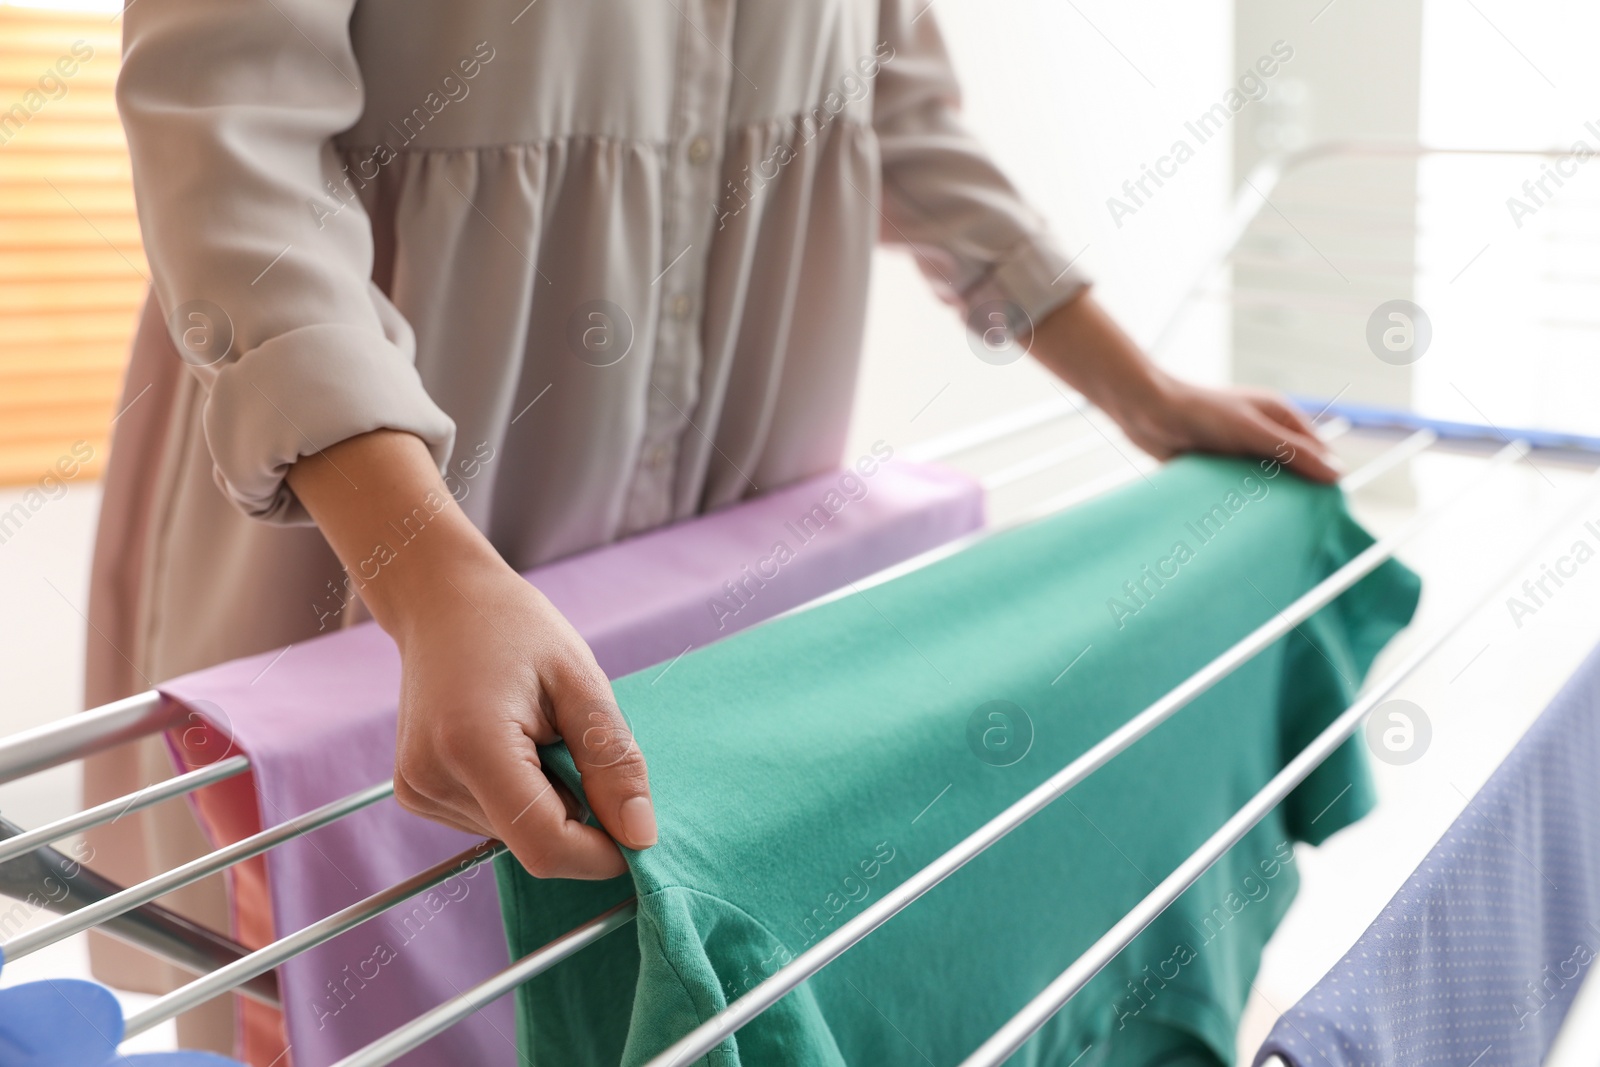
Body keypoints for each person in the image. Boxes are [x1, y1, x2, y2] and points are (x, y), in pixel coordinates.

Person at [86, 0, 1337, 1051]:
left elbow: (899, 112)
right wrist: (426, 569)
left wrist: (1137, 385)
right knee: (350, 976)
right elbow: (232, 138)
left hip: (725, 513)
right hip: (370, 509)